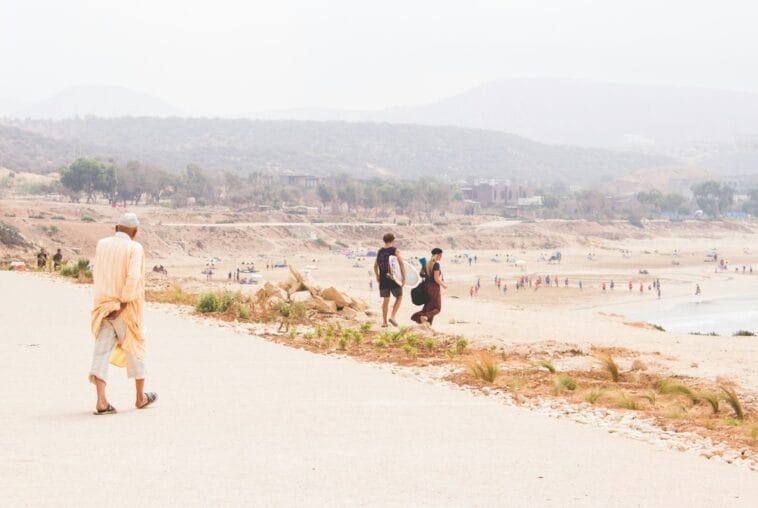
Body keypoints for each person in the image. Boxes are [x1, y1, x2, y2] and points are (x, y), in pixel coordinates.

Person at [89, 212, 157, 415]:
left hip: (103, 307)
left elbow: (97, 273)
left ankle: (101, 401)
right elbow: (133, 277)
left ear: (116, 228)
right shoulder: (134, 248)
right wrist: (123, 303)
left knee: (101, 353)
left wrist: (108, 304)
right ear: (135, 232)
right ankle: (140, 397)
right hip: (125, 309)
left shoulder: (102, 244)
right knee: (135, 348)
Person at [374, 232, 405, 327]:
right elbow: (401, 264)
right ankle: (392, 316)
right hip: (393, 278)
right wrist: (403, 278)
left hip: (383, 279)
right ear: (392, 240)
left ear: (384, 240)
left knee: (386, 300)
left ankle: (384, 322)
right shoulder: (395, 250)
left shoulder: (380, 251)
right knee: (399, 297)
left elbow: (375, 266)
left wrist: (377, 276)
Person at [411, 248, 447, 326]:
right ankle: (424, 316)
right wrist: (444, 285)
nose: (441, 257)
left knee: (429, 306)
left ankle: (428, 324)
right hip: (434, 288)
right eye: (441, 255)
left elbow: (421, 274)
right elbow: (436, 279)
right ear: (438, 255)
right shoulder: (436, 264)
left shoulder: (427, 264)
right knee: (437, 308)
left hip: (426, 287)